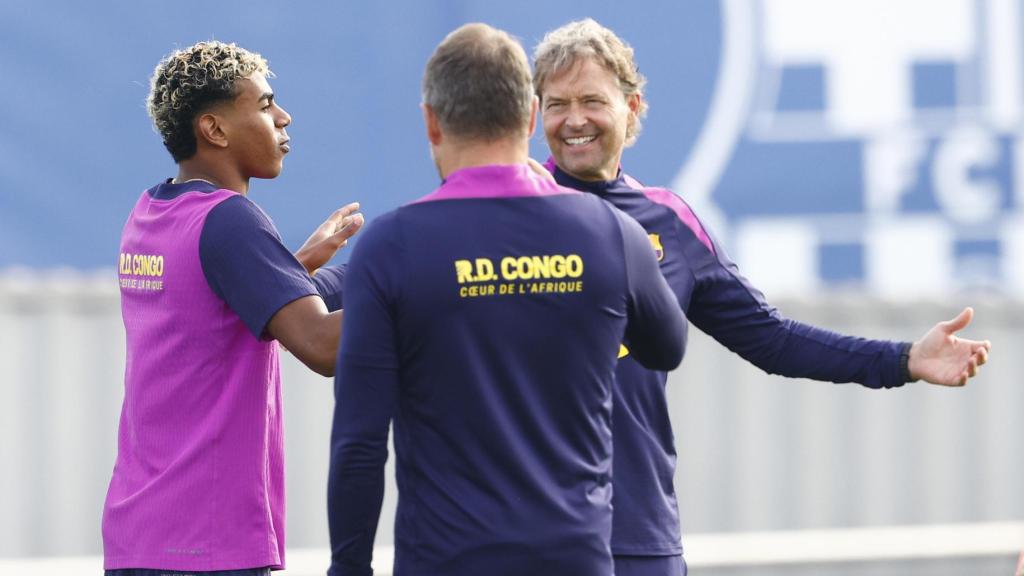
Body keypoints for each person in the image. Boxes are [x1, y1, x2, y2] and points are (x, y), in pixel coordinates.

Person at [532, 18, 992, 576]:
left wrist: (901, 360)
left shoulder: (669, 223)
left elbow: (773, 340)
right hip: (533, 537)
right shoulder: (509, 218)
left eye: (591, 100)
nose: (574, 120)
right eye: (556, 104)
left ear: (632, 108)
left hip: (639, 538)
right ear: (535, 116)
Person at [326, 23, 687, 576]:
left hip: (444, 561)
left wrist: (348, 567)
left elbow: (360, 441)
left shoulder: (391, 246)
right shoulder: (610, 233)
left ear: (430, 121)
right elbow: (666, 346)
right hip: (576, 558)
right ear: (530, 116)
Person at [102, 41, 364, 575]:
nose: (284, 117)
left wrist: (316, 267)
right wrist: (426, 275)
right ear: (215, 130)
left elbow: (226, 300)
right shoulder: (232, 220)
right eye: (265, 105)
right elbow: (320, 345)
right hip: (208, 544)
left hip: (140, 537)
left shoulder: (150, 212)